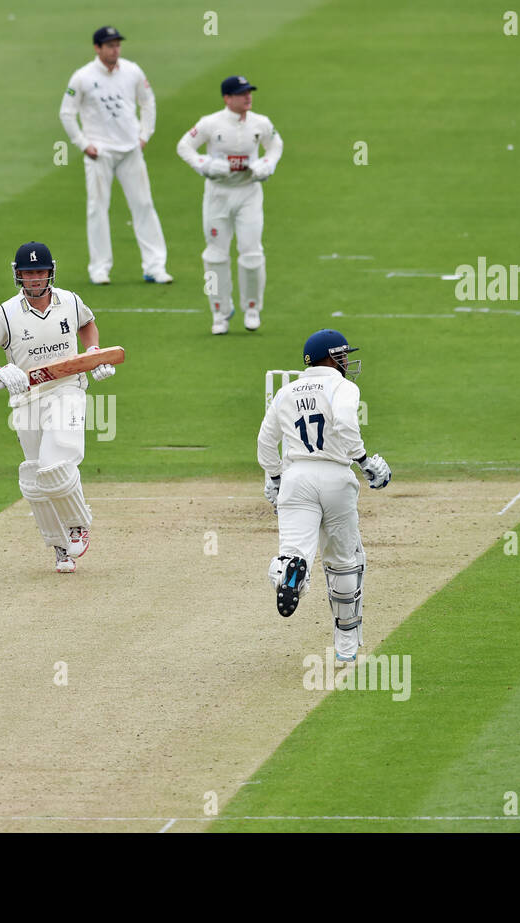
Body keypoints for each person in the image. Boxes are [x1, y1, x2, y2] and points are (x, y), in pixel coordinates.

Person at [0, 242, 115, 573]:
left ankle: (79, 524)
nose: (35, 279)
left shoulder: (71, 301)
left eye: (40, 272)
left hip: (67, 389)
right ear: (18, 275)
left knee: (55, 463)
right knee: (35, 478)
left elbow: (87, 324)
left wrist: (94, 355)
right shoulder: (5, 313)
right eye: (29, 273)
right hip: (27, 399)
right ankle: (61, 545)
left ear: (50, 272)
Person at [256, 329, 391, 664]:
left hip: (296, 477)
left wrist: (274, 478)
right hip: (335, 476)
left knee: (292, 552)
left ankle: (291, 571)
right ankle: (346, 643)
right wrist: (363, 460)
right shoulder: (343, 386)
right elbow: (346, 423)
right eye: (342, 354)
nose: (346, 361)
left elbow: (265, 441)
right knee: (344, 561)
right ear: (328, 357)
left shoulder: (286, 392)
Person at [60, 27, 172, 286]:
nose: (115, 50)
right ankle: (99, 268)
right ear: (97, 48)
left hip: (130, 149)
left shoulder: (132, 71)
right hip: (100, 152)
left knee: (143, 205)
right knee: (97, 209)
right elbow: (67, 113)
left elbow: (147, 102)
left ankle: (155, 266)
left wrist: (145, 135)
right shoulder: (82, 77)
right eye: (109, 45)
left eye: (117, 45)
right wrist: (83, 144)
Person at [176, 76, 282, 335]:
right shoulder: (211, 123)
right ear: (227, 98)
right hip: (218, 195)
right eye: (241, 93)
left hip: (249, 194)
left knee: (252, 253)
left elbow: (275, 145)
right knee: (215, 255)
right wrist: (205, 165)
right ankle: (220, 313)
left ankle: (252, 308)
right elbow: (184, 146)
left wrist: (267, 165)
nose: (248, 96)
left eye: (249, 92)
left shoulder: (261, 123)